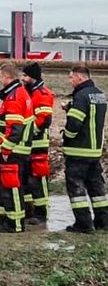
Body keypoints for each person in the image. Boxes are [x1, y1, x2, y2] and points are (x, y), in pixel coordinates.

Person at [60, 64, 108, 233]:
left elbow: (74, 124)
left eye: (71, 77)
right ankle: (103, 220)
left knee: (76, 188)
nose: (70, 80)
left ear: (80, 77)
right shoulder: (99, 94)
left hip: (78, 151)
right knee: (97, 188)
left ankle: (84, 223)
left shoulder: (80, 96)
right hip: (94, 150)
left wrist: (66, 136)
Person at [0, 62, 34, 233]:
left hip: (13, 150)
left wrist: (6, 150)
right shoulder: (18, 93)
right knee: (3, 185)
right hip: (14, 149)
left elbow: (15, 129)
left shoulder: (15, 96)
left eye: (1, 76)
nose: (0, 80)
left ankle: (15, 223)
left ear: (6, 77)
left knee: (12, 186)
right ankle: (4, 217)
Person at [20, 62, 54, 224]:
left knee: (39, 178)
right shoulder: (27, 93)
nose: (23, 78)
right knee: (26, 177)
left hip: (38, 143)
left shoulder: (42, 93)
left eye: (25, 76)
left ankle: (41, 212)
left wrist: (27, 133)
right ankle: (29, 210)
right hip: (27, 144)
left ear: (32, 77)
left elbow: (43, 120)